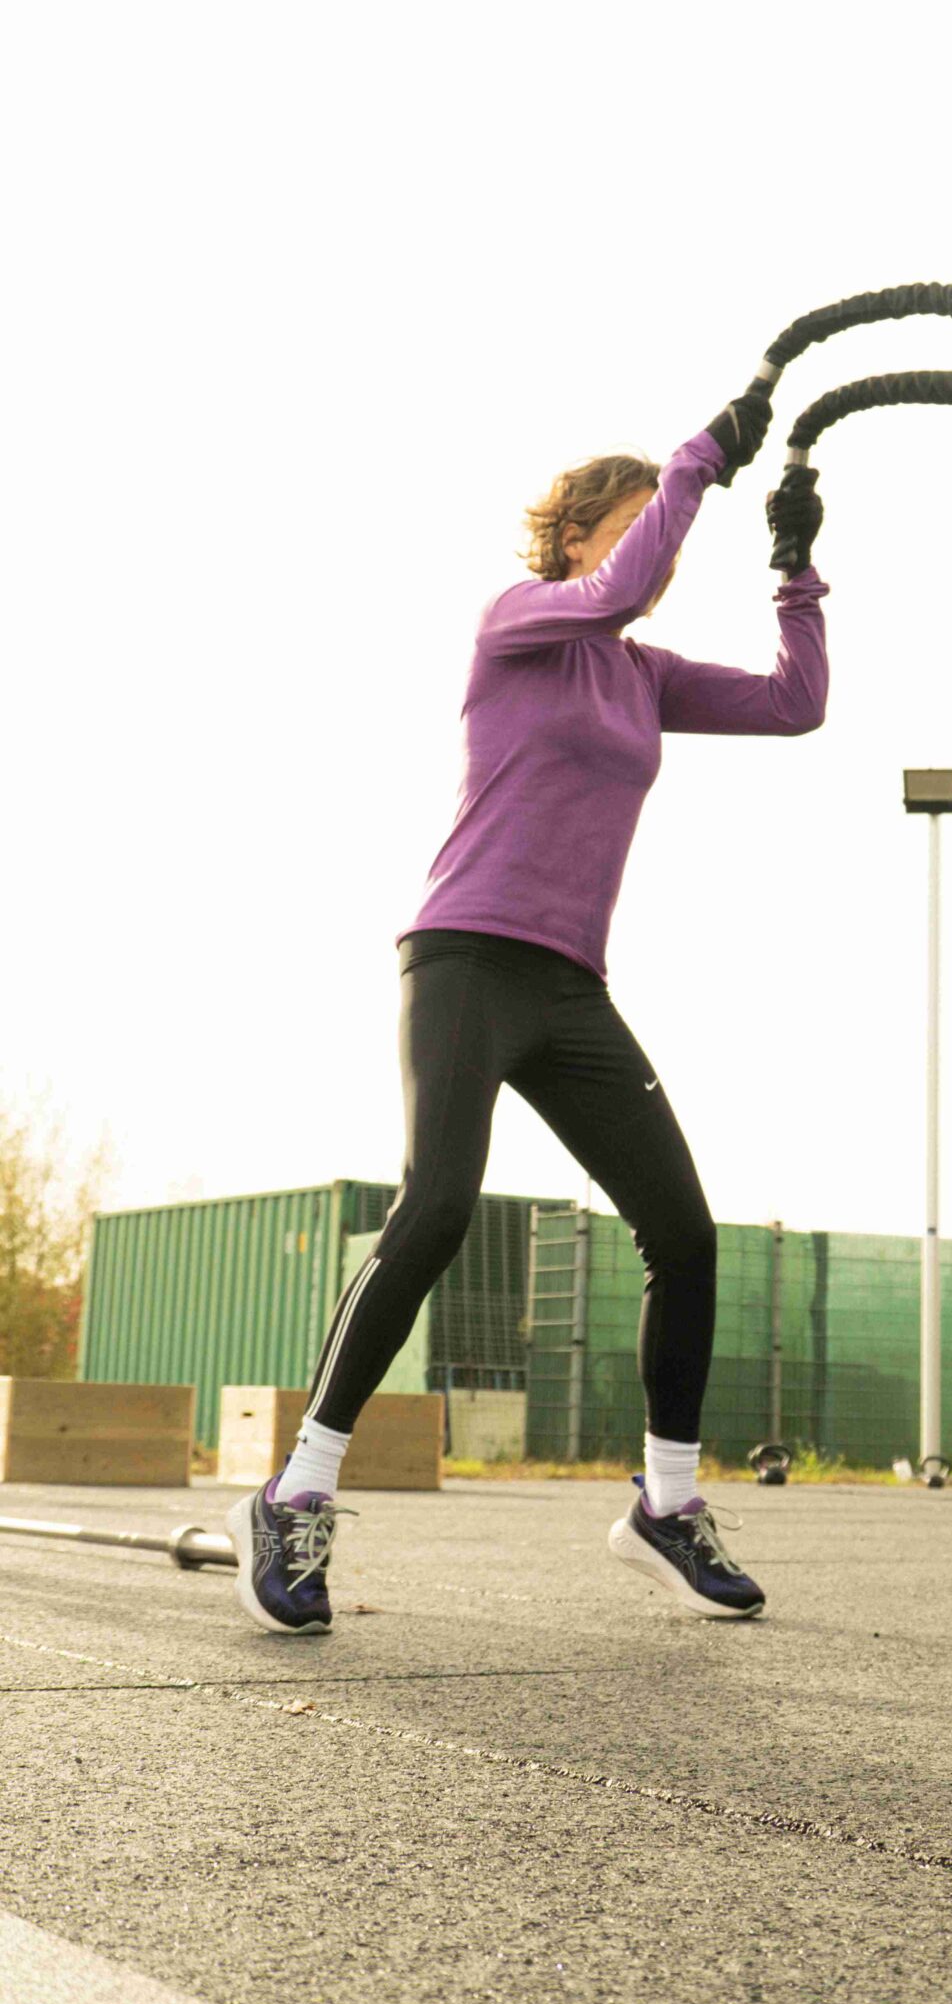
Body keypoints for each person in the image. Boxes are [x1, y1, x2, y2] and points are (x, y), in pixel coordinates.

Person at [228, 382, 828, 1634]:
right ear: (570, 538)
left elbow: (794, 703)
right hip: (462, 959)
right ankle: (296, 1491)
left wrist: (793, 570)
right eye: (632, 524)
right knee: (438, 1205)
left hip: (569, 985)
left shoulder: (642, 674)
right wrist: (695, 462)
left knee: (685, 1234)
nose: (655, 552)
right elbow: (615, 588)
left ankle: (666, 1506)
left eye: (659, 526)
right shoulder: (519, 622)